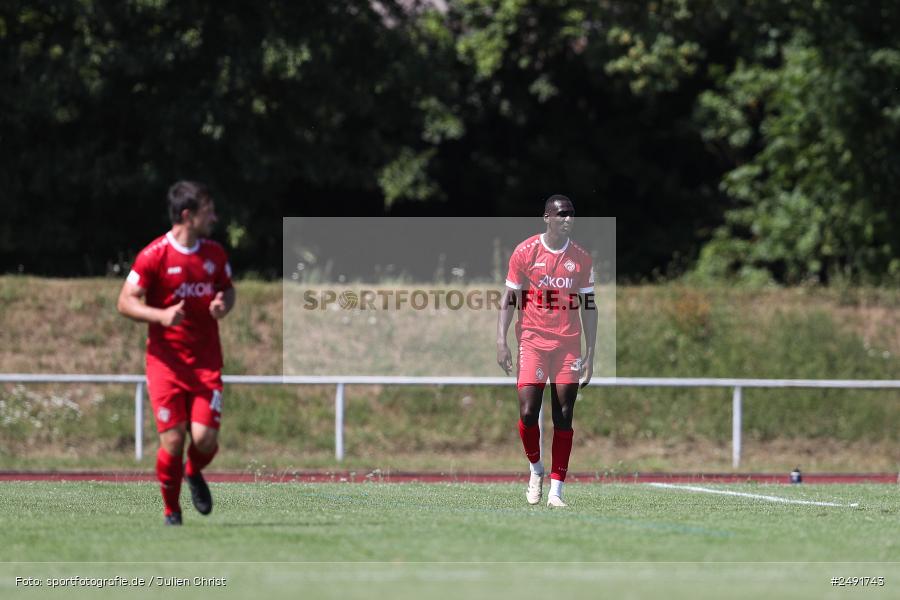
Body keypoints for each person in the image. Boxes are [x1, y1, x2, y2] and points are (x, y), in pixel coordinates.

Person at [117, 181, 236, 525]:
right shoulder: (153, 255)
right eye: (208, 210)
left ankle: (193, 470)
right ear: (188, 215)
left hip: (206, 363)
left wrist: (222, 305)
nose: (214, 217)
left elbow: (229, 292)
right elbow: (125, 301)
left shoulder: (214, 254)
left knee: (204, 438)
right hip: (165, 364)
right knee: (172, 439)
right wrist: (161, 316)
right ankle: (172, 512)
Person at [497, 195, 597, 508]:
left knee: (563, 416)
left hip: (568, 344)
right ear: (547, 218)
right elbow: (510, 297)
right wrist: (501, 340)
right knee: (528, 412)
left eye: (571, 215)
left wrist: (590, 353)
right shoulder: (525, 252)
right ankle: (535, 468)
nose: (568, 219)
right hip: (532, 341)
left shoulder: (581, 258)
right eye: (561, 214)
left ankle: (556, 491)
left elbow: (590, 307)